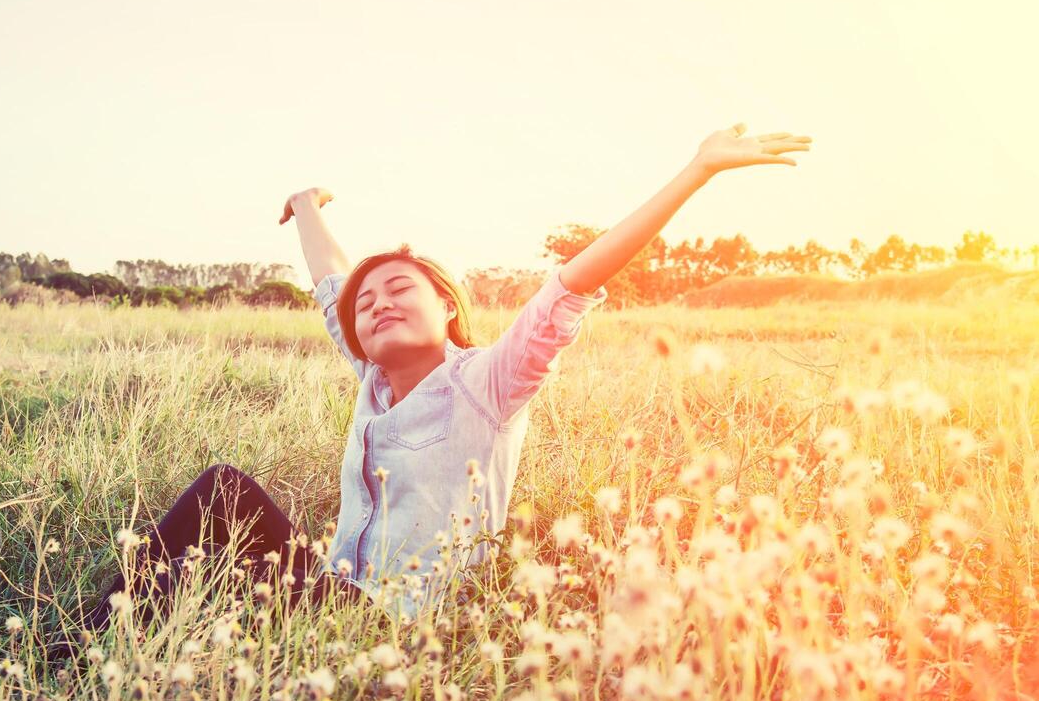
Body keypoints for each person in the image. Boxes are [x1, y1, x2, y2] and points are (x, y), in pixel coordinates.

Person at [68, 122, 811, 645]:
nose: (375, 303)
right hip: (331, 594)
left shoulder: (487, 383)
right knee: (211, 522)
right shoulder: (372, 375)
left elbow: (573, 280)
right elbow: (333, 284)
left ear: (448, 306)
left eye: (398, 289)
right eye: (367, 304)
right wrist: (302, 206)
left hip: (390, 624)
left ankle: (89, 646)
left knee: (221, 504)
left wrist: (699, 169)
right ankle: (106, 642)